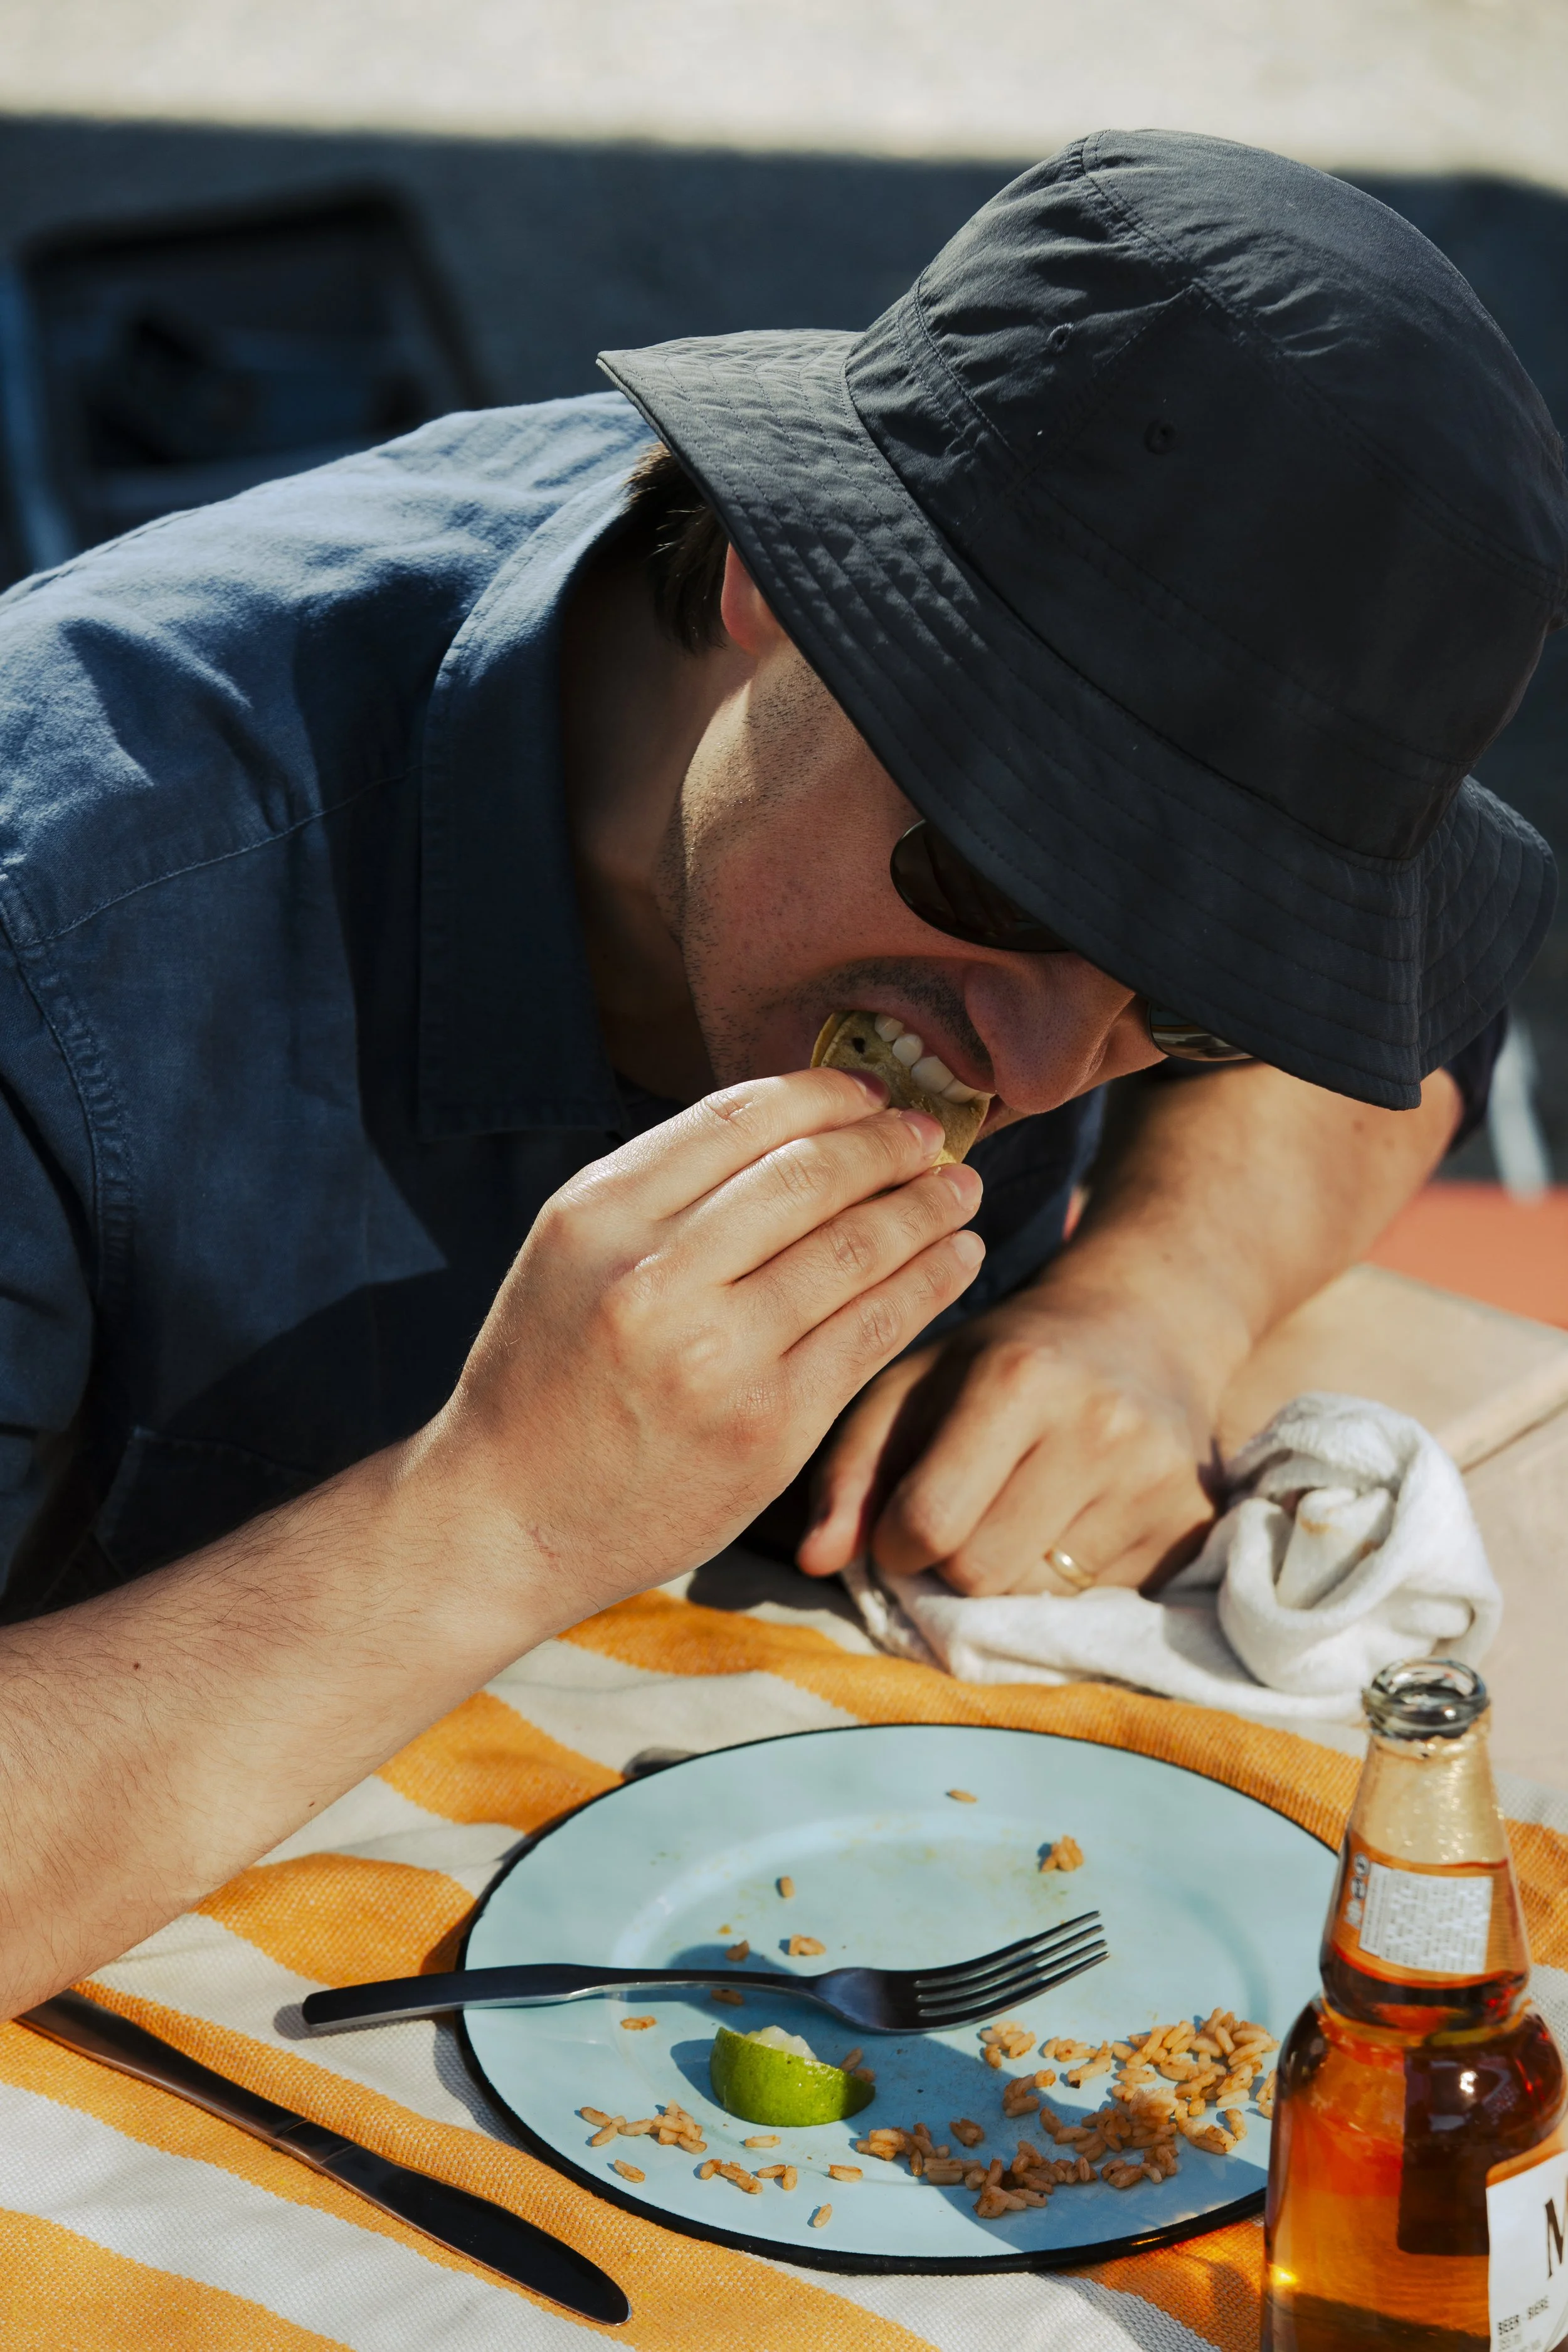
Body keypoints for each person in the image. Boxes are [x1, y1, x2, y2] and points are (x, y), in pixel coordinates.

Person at [0, 131, 1560, 2021]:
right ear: (769, 579)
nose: (1042, 1065)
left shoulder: (1109, 721)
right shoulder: (71, 928)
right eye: (996, 878)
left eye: (1198, 993)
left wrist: (1154, 1294)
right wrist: (496, 1517)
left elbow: (1386, 1040)